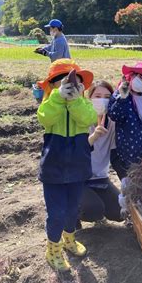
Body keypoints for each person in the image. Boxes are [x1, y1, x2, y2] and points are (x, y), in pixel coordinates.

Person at [36, 59, 97, 271]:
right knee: (57, 213)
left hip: (78, 166)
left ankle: (69, 239)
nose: (71, 86)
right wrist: (59, 98)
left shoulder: (83, 104)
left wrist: (74, 101)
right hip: (54, 168)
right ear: (52, 86)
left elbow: (89, 118)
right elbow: (45, 118)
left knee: (73, 209)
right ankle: (53, 248)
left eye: (76, 83)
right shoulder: (49, 104)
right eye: (63, 82)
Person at [78, 80, 122, 225]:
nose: (102, 100)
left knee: (120, 211)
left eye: (107, 97)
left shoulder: (113, 124)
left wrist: (128, 180)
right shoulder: (79, 120)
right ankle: (70, 213)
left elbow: (116, 155)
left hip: (100, 178)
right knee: (93, 210)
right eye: (97, 96)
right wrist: (93, 137)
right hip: (76, 178)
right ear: (89, 98)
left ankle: (93, 199)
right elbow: (74, 152)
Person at [107, 62, 142, 180]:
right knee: (132, 184)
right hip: (128, 149)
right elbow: (114, 115)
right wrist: (123, 98)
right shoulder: (119, 95)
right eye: (141, 77)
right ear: (132, 75)